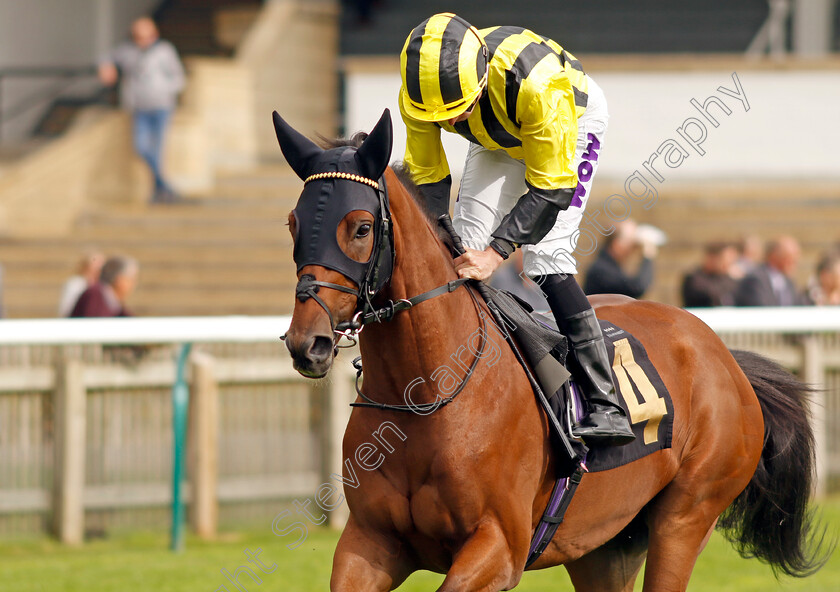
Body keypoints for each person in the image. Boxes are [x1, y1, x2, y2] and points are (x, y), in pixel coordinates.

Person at [399, 13, 633, 445]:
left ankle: (606, 403)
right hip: (499, 130)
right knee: (461, 250)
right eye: (443, 118)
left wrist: (498, 251)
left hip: (569, 122)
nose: (451, 124)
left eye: (459, 110)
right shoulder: (420, 94)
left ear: (483, 74)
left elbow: (552, 187)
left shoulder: (541, 86)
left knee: (547, 259)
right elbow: (428, 179)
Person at [98, 17, 185, 203]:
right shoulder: (127, 51)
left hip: (161, 106)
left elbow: (179, 78)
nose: (143, 41)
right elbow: (107, 56)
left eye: (147, 36)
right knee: (141, 148)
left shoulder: (164, 51)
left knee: (156, 151)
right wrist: (106, 67)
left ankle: (158, 192)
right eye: (138, 36)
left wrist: (162, 90)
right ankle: (165, 188)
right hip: (139, 108)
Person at [584, 220, 658, 299]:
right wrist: (647, 256)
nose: (632, 250)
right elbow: (637, 287)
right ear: (617, 244)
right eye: (630, 244)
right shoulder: (601, 270)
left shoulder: (607, 266)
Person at [735, 236, 804, 306]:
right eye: (789, 258)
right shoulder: (755, 280)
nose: (794, 263)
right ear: (774, 256)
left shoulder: (789, 282)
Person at [70, 256, 138, 318]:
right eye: (131, 279)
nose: (133, 284)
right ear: (119, 280)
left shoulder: (111, 299)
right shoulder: (95, 295)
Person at [681, 241, 738, 307]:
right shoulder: (694, 279)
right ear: (712, 258)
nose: (729, 264)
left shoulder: (727, 278)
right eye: (725, 259)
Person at [58, 251, 105, 317]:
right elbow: (66, 309)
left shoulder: (103, 285)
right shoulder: (75, 284)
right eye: (97, 262)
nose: (100, 267)